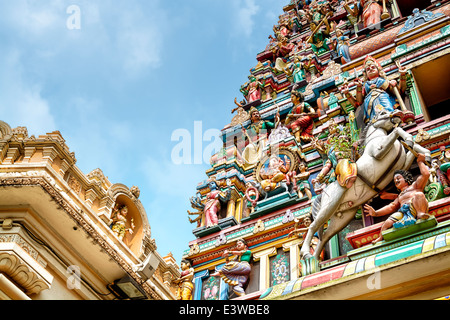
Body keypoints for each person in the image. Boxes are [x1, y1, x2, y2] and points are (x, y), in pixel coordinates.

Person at [363, 153, 431, 243]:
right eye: (395, 181)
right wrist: (376, 213)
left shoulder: (415, 186)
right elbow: (391, 206)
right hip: (403, 212)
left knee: (419, 195)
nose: (397, 181)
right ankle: (380, 237)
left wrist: (420, 162)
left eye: (399, 178)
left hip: (416, 206)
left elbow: (426, 174)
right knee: (387, 223)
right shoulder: (400, 196)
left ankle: (420, 214)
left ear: (406, 178)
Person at [340, 55, 407, 124]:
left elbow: (398, 92)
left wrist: (401, 76)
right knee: (374, 117)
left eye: (373, 67)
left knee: (387, 110)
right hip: (370, 103)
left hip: (383, 98)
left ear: (378, 70)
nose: (371, 69)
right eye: (368, 69)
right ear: (366, 74)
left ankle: (390, 114)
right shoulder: (365, 85)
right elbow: (358, 102)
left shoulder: (382, 81)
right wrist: (350, 91)